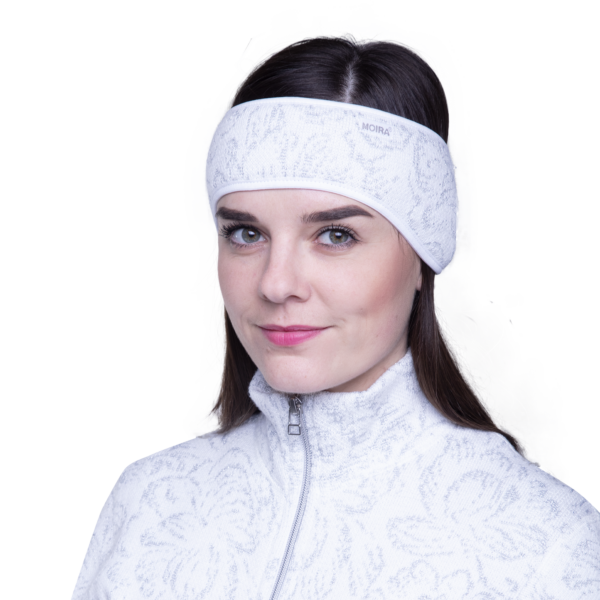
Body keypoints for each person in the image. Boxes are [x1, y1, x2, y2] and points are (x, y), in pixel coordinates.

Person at [71, 36, 600, 599]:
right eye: (246, 233)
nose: (276, 284)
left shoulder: (550, 546)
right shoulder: (148, 502)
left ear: (422, 257)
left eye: (336, 235)